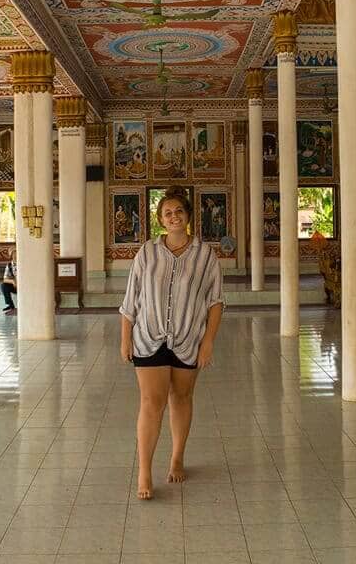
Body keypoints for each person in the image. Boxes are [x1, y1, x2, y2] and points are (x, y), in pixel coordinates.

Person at [119, 186, 224, 500]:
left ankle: (177, 456)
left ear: (188, 216)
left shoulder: (205, 255)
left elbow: (215, 301)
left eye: (179, 211)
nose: (174, 216)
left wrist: (208, 342)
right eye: (168, 213)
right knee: (152, 403)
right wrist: (125, 338)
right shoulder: (147, 253)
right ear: (160, 219)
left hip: (188, 338)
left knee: (181, 396)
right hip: (148, 336)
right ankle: (145, 471)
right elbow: (131, 298)